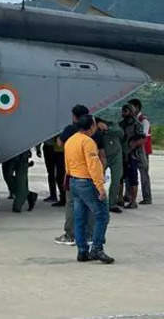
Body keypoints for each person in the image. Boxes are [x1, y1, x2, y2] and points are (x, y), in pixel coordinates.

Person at [64, 114, 114, 263]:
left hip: (74, 181)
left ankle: (82, 251)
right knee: (102, 215)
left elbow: (67, 164)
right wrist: (100, 187)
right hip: (86, 182)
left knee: (80, 217)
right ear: (91, 127)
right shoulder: (88, 142)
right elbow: (94, 166)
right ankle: (97, 249)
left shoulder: (70, 141)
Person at [56, 105, 96, 245]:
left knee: (72, 205)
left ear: (74, 117)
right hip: (90, 177)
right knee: (91, 206)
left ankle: (71, 235)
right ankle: (89, 235)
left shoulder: (71, 135)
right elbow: (100, 158)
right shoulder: (94, 135)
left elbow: (60, 144)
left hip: (74, 176)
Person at [119, 103, 146, 209]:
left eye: (125, 111)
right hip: (122, 155)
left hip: (132, 155)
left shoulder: (137, 125)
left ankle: (133, 201)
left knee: (133, 179)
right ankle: (120, 198)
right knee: (120, 178)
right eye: (123, 111)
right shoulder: (120, 124)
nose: (123, 113)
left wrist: (133, 145)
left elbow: (142, 139)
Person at [96, 117, 125, 214]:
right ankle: (96, 201)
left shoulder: (113, 124)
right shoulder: (93, 125)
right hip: (102, 155)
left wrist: (107, 129)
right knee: (97, 179)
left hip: (116, 155)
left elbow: (121, 133)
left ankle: (112, 204)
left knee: (116, 179)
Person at [129, 98, 152, 205]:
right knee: (131, 174)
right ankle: (128, 196)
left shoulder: (144, 120)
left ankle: (147, 198)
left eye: (131, 107)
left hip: (143, 151)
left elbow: (144, 137)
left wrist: (133, 145)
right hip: (134, 150)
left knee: (144, 175)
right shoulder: (132, 120)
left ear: (137, 107)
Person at [37, 136, 63, 203]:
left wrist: (38, 149)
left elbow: (41, 133)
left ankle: (55, 195)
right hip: (59, 148)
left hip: (52, 148)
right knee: (59, 174)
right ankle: (62, 196)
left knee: (53, 173)